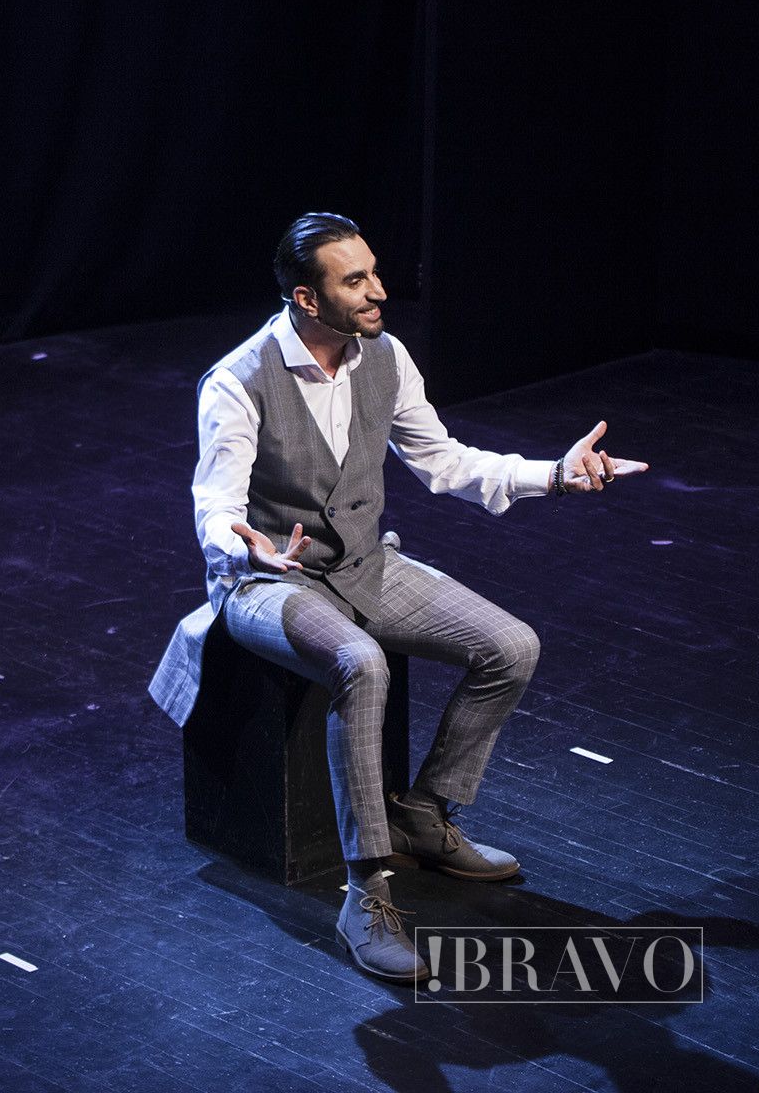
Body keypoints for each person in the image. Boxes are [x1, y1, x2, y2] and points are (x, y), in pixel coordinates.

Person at [148, 212, 648, 982]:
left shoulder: (383, 356)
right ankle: (367, 894)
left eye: (374, 272)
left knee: (510, 646)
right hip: (267, 583)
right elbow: (215, 504)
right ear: (307, 299)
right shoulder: (238, 380)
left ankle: (423, 813)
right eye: (355, 280)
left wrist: (553, 474)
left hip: (363, 565)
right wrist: (242, 543)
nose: (378, 290)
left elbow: (444, 462)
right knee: (362, 662)